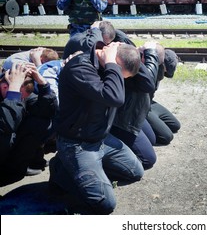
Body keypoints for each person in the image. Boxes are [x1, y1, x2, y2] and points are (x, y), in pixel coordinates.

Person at [49, 25, 144, 214]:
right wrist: (111, 64)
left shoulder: (105, 62)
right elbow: (115, 97)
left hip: (100, 138)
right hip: (77, 143)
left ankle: (83, 171)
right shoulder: (80, 67)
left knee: (136, 172)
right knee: (104, 204)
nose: (120, 80)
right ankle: (61, 169)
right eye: (118, 73)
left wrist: (112, 62)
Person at [0, 63, 58, 187]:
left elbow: (47, 111)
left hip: (9, 160)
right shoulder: (14, 91)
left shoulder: (20, 93)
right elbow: (5, 125)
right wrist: (14, 90)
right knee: (5, 136)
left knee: (42, 122)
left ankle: (17, 168)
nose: (20, 100)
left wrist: (43, 86)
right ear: (5, 87)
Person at [111, 40, 163, 170]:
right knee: (148, 160)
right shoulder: (119, 64)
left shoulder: (127, 61)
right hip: (122, 120)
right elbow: (149, 83)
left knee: (152, 139)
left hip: (133, 114)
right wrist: (150, 53)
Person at [146, 49, 181, 145]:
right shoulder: (148, 69)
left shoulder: (159, 72)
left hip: (150, 103)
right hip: (141, 107)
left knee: (175, 126)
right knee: (166, 137)